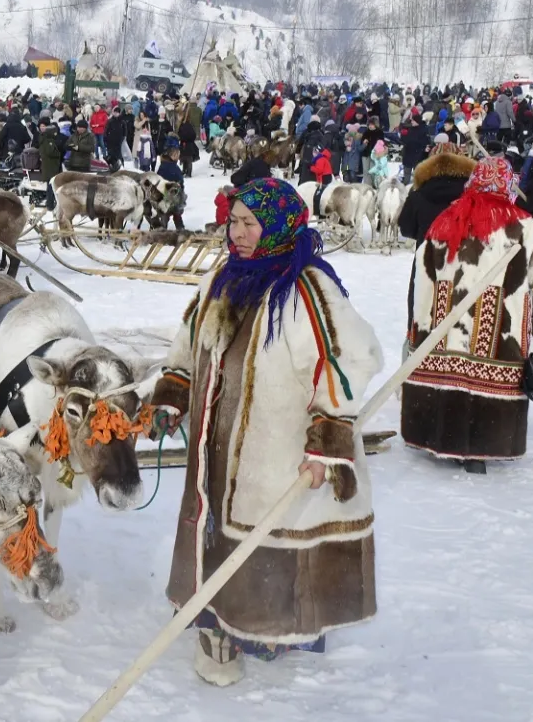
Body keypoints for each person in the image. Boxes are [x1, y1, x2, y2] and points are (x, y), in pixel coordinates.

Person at [151, 177, 382, 687]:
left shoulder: (308, 288)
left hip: (276, 445)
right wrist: (174, 390)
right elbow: (191, 339)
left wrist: (326, 441)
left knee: (267, 531)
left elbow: (349, 358)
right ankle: (217, 616)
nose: (237, 232)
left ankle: (269, 625)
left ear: (277, 225)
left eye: (249, 223)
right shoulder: (225, 279)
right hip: (217, 442)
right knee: (217, 525)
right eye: (233, 221)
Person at [402, 157, 533, 474]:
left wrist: (417, 322)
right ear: (507, 185)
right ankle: (480, 446)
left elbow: (421, 274)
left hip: (443, 327)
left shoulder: (445, 220)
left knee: (450, 372)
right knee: (485, 375)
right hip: (496, 331)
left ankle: (439, 439)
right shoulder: (522, 226)